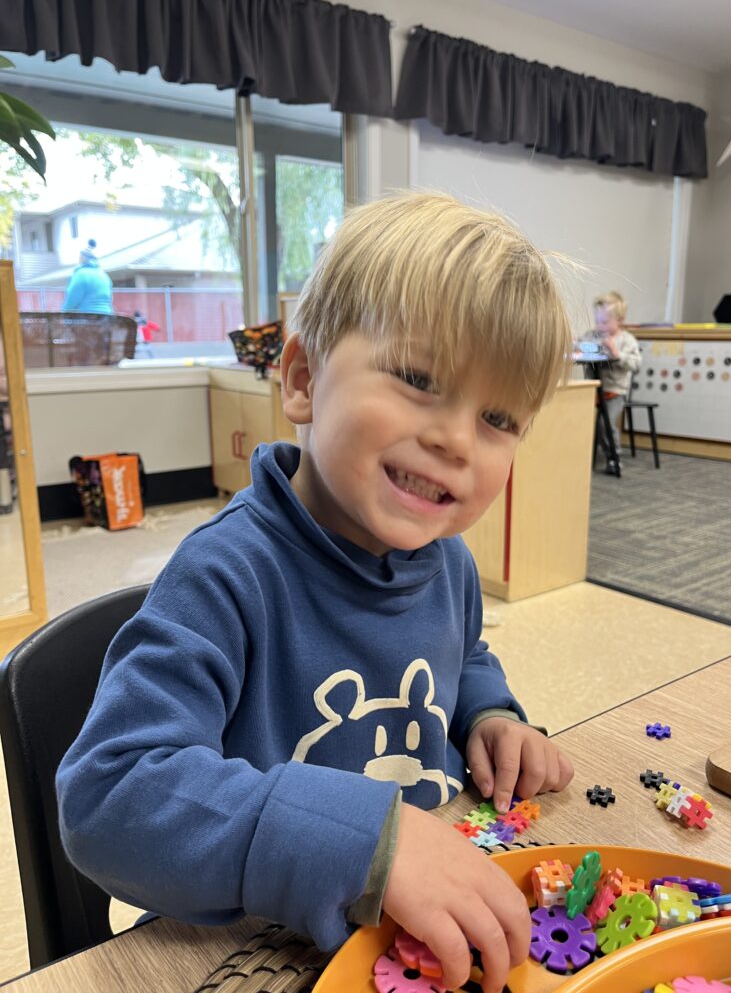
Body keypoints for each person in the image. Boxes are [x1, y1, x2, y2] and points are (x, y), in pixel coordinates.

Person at [56, 192, 575, 993]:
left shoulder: (448, 561)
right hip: (255, 952)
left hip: (412, 937)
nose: (455, 439)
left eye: (499, 419)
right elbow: (107, 797)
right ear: (302, 379)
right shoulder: (225, 575)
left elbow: (461, 651)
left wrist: (491, 714)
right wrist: (364, 844)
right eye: (417, 379)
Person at [585, 290, 642, 475]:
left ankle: (613, 457)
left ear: (620, 320)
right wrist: (577, 345)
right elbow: (582, 347)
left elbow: (636, 363)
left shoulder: (627, 340)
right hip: (593, 389)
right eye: (597, 321)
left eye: (604, 322)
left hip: (615, 391)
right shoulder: (593, 335)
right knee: (580, 419)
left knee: (606, 424)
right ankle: (582, 457)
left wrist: (617, 354)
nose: (600, 326)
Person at [62, 239, 114, 314]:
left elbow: (72, 300)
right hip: (106, 316)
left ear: (83, 258)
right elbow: (110, 299)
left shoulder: (81, 274)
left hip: (86, 317)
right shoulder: (104, 276)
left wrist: (63, 312)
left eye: (80, 256)